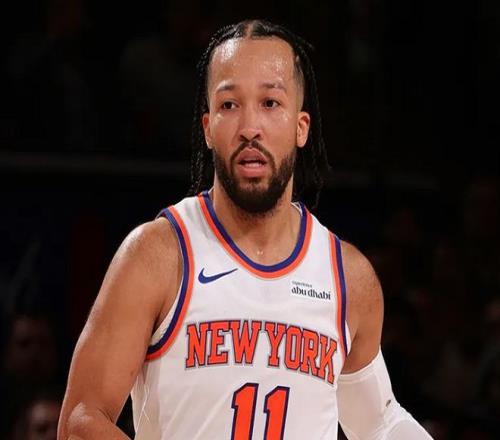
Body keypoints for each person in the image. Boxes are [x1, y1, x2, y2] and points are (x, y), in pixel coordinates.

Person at [58, 19, 432, 439]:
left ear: (301, 127)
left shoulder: (348, 278)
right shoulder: (158, 254)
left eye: (270, 103)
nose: (249, 127)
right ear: (208, 129)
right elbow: (80, 421)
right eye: (229, 105)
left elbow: (380, 422)